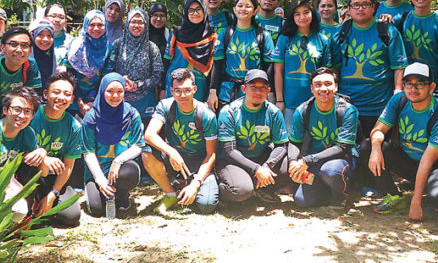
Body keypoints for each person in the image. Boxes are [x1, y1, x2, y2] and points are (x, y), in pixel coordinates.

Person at [368, 63, 438, 220]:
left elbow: (427, 161)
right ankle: (393, 195)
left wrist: (415, 201)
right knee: (367, 147)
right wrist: (376, 147)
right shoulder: (399, 100)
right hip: (411, 161)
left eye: (420, 84)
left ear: (431, 87)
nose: (413, 89)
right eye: (408, 84)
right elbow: (378, 130)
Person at [142, 68, 219, 214]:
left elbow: (211, 155)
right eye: (177, 91)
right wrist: (171, 152)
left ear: (195, 89)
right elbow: (149, 134)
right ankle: (170, 193)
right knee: (146, 152)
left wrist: (195, 185)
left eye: (187, 90)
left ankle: (189, 184)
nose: (182, 95)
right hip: (175, 158)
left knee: (206, 205)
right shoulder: (165, 106)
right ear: (171, 90)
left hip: (199, 160)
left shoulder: (206, 115)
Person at [15, 72, 84, 226]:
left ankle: (43, 201)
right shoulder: (31, 115)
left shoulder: (74, 127)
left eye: (67, 94)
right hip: (27, 174)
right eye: (56, 92)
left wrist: (53, 194)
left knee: (71, 216)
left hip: (53, 178)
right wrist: (43, 158)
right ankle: (31, 203)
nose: (61, 97)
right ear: (45, 94)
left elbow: (68, 165)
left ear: (72, 99)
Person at [338, 0, 408, 141]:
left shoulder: (387, 31)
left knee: (377, 148)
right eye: (355, 5)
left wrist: (397, 94)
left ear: (374, 8)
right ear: (349, 9)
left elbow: (399, 65)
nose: (360, 8)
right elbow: (333, 67)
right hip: (347, 104)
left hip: (379, 105)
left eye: (365, 4)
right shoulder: (341, 32)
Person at [216, 69, 289, 203]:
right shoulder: (229, 112)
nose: (258, 92)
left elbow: (282, 145)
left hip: (260, 158)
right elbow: (229, 151)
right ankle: (224, 189)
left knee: (289, 164)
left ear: (268, 91)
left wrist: (267, 166)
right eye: (253, 87)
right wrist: (256, 169)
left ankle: (260, 189)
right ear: (243, 89)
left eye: (263, 88)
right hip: (233, 161)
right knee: (241, 190)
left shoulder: (273, 112)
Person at [288, 68, 358, 207]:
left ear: (336, 87)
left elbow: (342, 147)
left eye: (328, 83)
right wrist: (292, 162)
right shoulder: (303, 110)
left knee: (330, 171)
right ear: (312, 89)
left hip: (341, 159)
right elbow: (294, 142)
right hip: (315, 161)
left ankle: (341, 196)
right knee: (302, 201)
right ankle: (326, 189)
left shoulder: (348, 110)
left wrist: (308, 160)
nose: (323, 88)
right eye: (318, 85)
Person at [81, 73, 145, 217]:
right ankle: (101, 189)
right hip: (97, 169)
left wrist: (118, 160)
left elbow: (138, 145)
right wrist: (100, 180)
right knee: (96, 209)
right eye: (110, 91)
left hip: (121, 169)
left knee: (130, 174)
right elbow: (88, 152)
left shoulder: (131, 114)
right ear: (102, 91)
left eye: (119, 91)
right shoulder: (91, 117)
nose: (115, 96)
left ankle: (121, 191)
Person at [271, 0, 333, 131]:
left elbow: (326, 74)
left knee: (312, 143)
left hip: (315, 102)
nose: (302, 17)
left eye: (306, 12)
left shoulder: (323, 40)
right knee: (290, 144)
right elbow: (278, 71)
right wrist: (280, 100)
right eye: (297, 14)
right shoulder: (284, 39)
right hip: (289, 103)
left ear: (313, 14)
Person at [209, 0, 275, 112]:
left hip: (254, 93)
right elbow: (217, 65)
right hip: (227, 93)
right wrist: (213, 91)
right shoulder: (224, 34)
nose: (243, 9)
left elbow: (269, 67)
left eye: (248, 6)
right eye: (240, 6)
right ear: (234, 10)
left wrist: (270, 91)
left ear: (255, 10)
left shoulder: (264, 36)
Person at [108, 8, 164, 124]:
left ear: (146, 25)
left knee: (143, 137)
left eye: (140, 22)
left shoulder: (151, 48)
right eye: (133, 22)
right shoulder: (118, 44)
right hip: (118, 98)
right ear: (127, 23)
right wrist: (120, 82)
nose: (136, 25)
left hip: (145, 101)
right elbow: (108, 70)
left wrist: (138, 85)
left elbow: (158, 75)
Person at [163, 0, 217, 101]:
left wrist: (210, 92)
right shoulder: (176, 33)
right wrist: (162, 89)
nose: (195, 13)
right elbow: (166, 62)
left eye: (198, 9)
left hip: (199, 87)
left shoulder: (212, 37)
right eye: (191, 10)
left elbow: (214, 68)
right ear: (186, 13)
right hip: (175, 87)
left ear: (204, 11)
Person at [64, 10, 113, 117]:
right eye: (92, 24)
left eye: (100, 25)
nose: (96, 28)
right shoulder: (75, 46)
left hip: (97, 101)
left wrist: (92, 100)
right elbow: (69, 76)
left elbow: (105, 77)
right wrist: (80, 102)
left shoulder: (109, 48)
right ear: (86, 25)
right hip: (73, 99)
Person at [28, 19, 56, 95]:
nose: (45, 39)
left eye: (49, 35)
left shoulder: (53, 61)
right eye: (40, 34)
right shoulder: (24, 60)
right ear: (32, 36)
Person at [317, 0, 343, 66]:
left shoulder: (343, 29)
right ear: (318, 9)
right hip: (316, 71)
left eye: (330, 6)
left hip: (338, 71)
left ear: (335, 9)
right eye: (323, 6)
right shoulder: (313, 28)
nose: (326, 9)